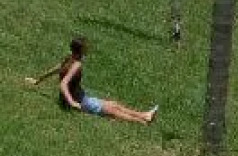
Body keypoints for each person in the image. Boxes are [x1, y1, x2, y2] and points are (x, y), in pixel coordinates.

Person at [24, 37, 157, 124]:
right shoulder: (77, 65)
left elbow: (55, 69)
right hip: (79, 101)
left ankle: (144, 115)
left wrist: (37, 80)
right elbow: (63, 84)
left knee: (114, 104)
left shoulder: (68, 58)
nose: (88, 49)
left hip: (81, 97)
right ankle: (143, 120)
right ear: (81, 49)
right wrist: (72, 103)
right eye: (86, 47)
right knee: (113, 111)